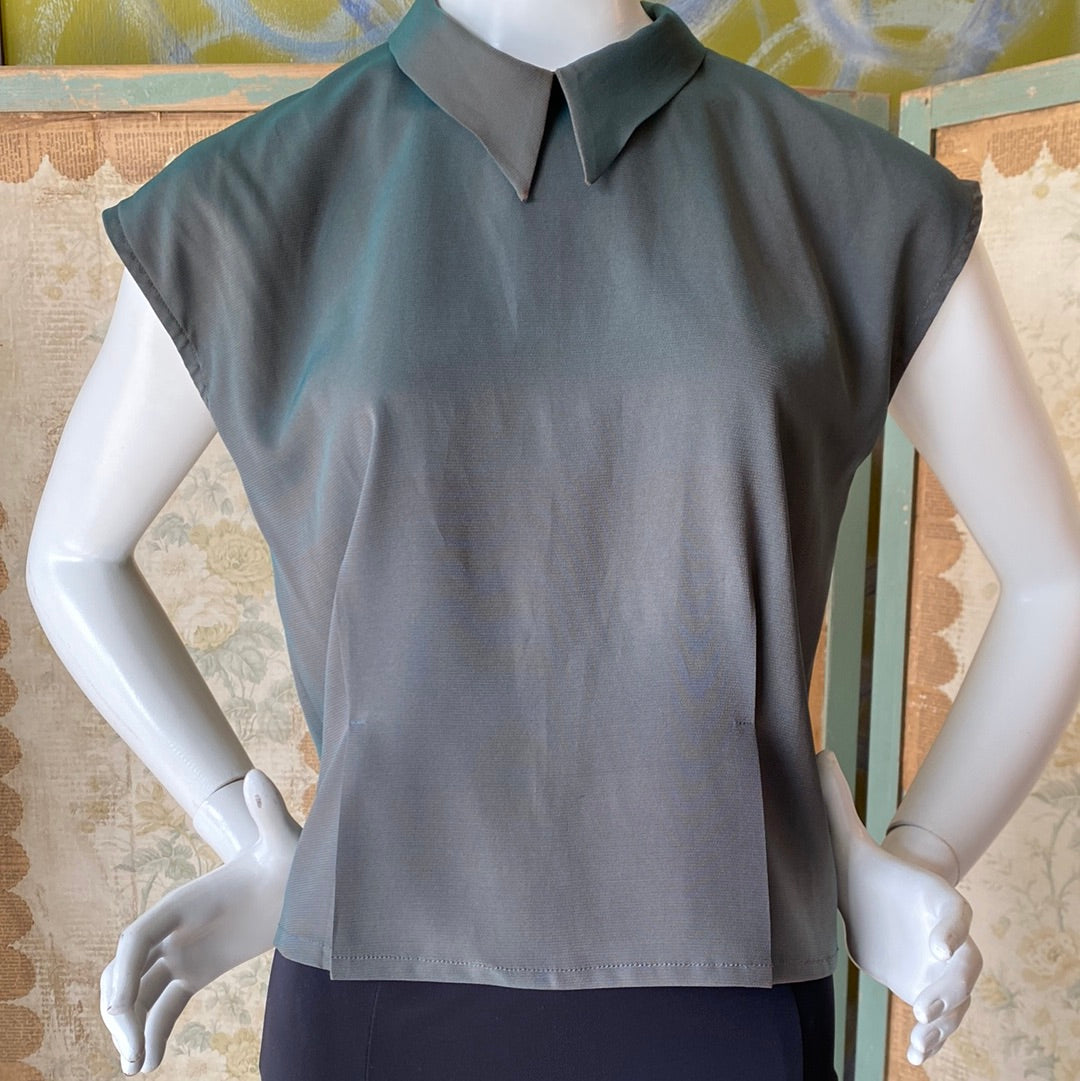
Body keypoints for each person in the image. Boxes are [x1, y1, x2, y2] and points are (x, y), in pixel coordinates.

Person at [25, 0, 1080, 1077]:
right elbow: (71, 559)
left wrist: (915, 853)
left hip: (734, 985)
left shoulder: (847, 194)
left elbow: (1058, 581)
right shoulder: (250, 199)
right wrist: (251, 837)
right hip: (368, 984)